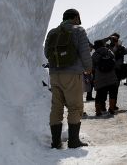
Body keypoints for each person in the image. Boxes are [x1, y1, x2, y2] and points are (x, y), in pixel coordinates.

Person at [44, 8, 91, 149]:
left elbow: (47, 53)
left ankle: (55, 142)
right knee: (75, 106)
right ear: (76, 17)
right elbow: (85, 52)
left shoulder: (52, 32)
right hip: (72, 74)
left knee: (56, 107)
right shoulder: (78, 30)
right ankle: (74, 141)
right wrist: (88, 67)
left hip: (54, 74)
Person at [91, 39, 119, 116]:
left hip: (100, 78)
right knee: (112, 93)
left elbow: (92, 67)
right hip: (111, 77)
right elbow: (114, 62)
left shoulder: (95, 54)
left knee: (99, 94)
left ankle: (98, 111)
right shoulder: (109, 52)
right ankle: (112, 108)